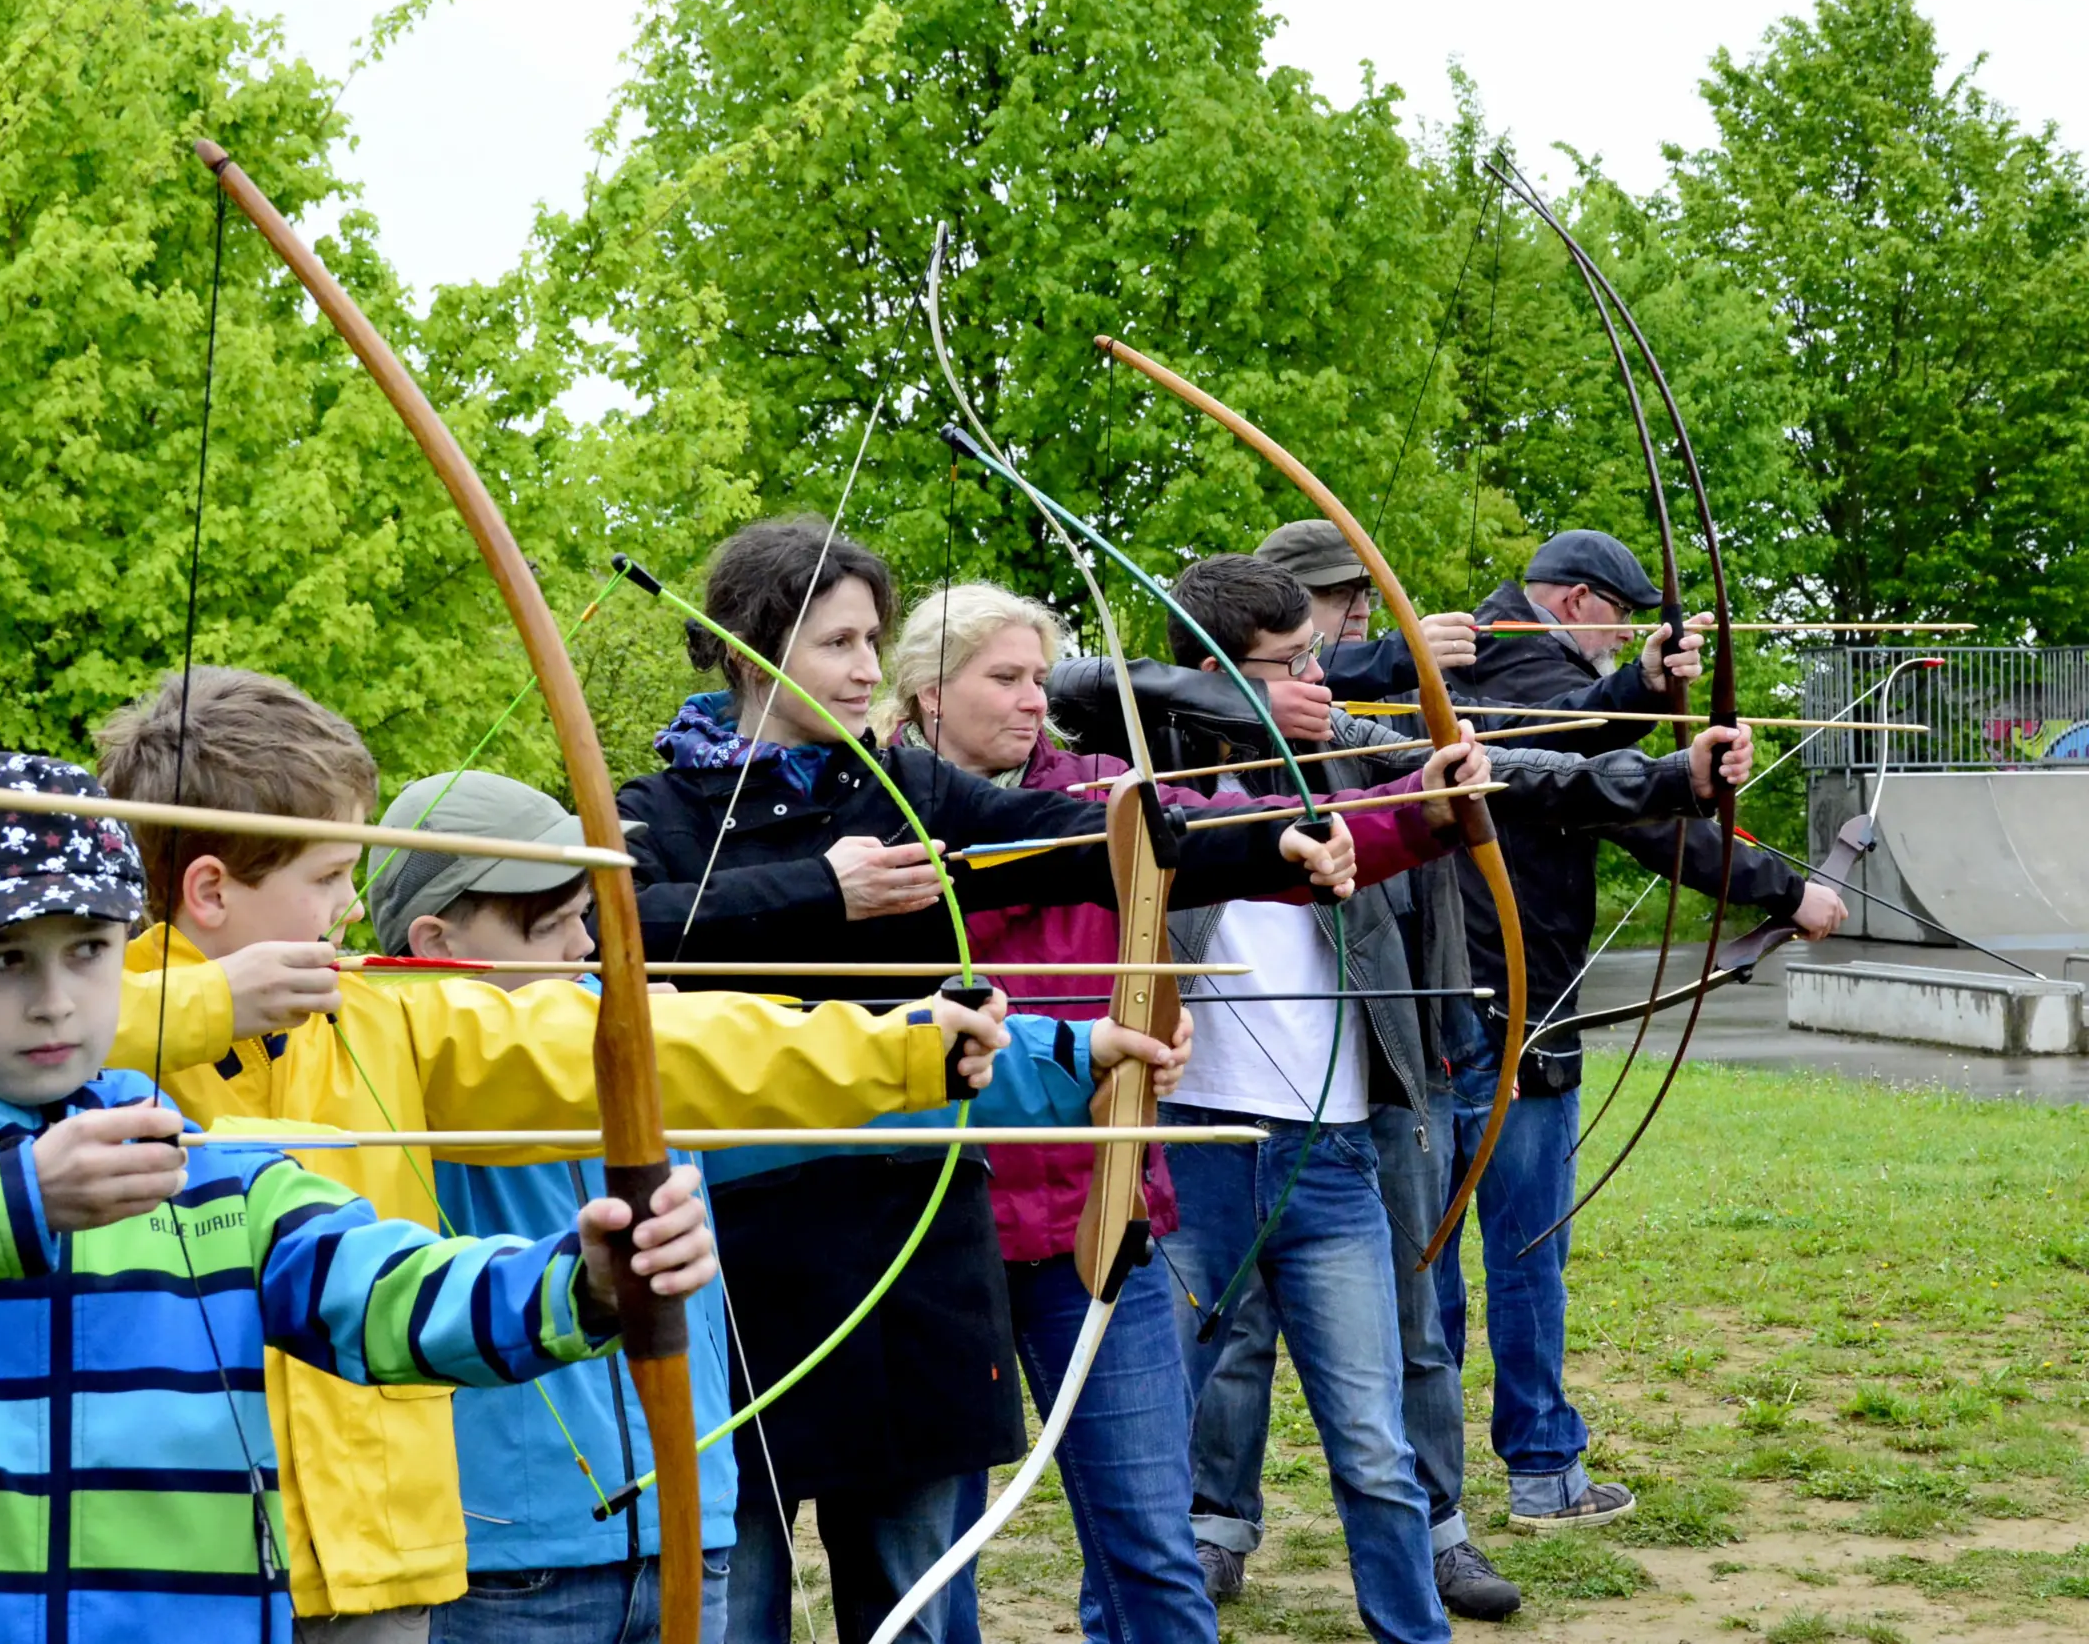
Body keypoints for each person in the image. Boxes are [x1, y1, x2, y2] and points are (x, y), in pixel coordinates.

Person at [0, 668, 1026, 1644]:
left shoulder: (381, 1016)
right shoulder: (54, 1032)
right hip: (169, 1566)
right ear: (214, 889)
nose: (349, 913)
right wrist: (203, 1005)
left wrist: (895, 1050)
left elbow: (622, 1043)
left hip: (386, 1561)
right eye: (328, 880)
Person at [0, 752, 722, 1644]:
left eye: (87, 953)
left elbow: (393, 1299)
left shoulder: (213, 1174)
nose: (51, 999)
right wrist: (19, 1199)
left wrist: (578, 1287)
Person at [614, 518, 1356, 1644]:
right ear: (746, 651)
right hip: (738, 1255)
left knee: (912, 1598)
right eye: (833, 644)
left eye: (871, 640)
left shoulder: (911, 788)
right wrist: (824, 890)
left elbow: (1077, 837)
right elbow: (611, 937)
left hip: (911, 1247)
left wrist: (1270, 847)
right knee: (737, 1597)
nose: (866, 668)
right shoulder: (658, 814)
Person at [370, 769, 1190, 1644]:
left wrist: (1075, 1056)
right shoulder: (389, 1060)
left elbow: (796, 1071)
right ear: (436, 939)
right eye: (557, 923)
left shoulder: (632, 1029)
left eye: (589, 912)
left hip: (683, 1522)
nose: (590, 942)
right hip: (503, 1557)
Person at [1119, 553, 1761, 1644]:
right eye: (1295, 664)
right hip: (1196, 1136)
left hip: (1342, 1138)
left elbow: (1516, 776)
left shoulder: (1351, 754)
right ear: (1218, 673)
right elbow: (1105, 688)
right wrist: (1317, 678)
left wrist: (1665, 766)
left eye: (1325, 657)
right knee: (1186, 1380)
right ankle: (1194, 1552)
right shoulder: (1135, 774)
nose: (1321, 681)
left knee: (1385, 1396)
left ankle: (1425, 1566)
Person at [875, 582, 1480, 1644]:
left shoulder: (1104, 785)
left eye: (1036, 676)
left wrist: (1408, 813)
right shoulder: (868, 813)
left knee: (1148, 1541)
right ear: (926, 694)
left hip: (1096, 1212)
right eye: (1002, 679)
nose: (1031, 701)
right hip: (932, 1227)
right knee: (933, 1557)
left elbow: (1225, 829)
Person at [1440, 530, 1845, 1531]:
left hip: (1434, 1018)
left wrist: (1644, 689)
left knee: (1436, 1257)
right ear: (1578, 603)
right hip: (1512, 1012)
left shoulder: (1470, 669)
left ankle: (1425, 1491)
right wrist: (1787, 889)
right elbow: (1639, 812)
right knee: (1524, 1245)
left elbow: (1613, 775)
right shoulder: (1529, 676)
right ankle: (1537, 1470)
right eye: (1616, 621)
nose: (1615, 638)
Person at [1253, 521, 1478, 701]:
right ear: (1277, 603)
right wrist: (1403, 653)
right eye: (1341, 595)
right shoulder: (1241, 693)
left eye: (1368, 597)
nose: (1363, 611)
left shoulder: (1397, 694)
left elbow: (1490, 724)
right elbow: (1321, 668)